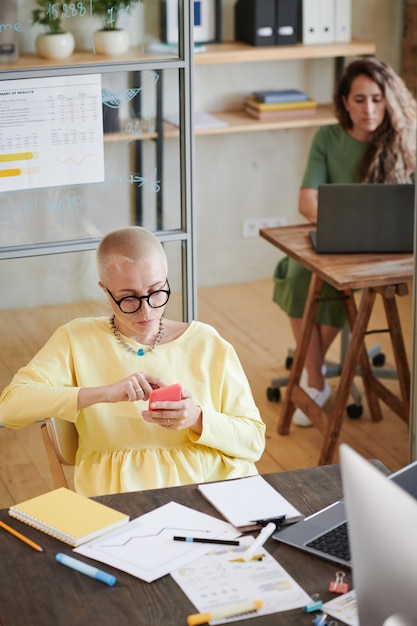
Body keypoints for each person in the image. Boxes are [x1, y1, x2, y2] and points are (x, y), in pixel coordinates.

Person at [0, 227, 266, 496]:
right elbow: (9, 408)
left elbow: (253, 442)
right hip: (124, 495)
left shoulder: (207, 343)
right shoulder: (76, 339)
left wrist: (197, 418)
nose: (147, 310)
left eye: (156, 292)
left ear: (166, 279)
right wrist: (103, 393)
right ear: (105, 291)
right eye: (129, 298)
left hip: (217, 487)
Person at [273, 57, 416, 427]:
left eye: (377, 99)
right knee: (296, 273)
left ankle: (312, 376)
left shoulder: (405, 141)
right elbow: (307, 202)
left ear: (389, 101)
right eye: (359, 99)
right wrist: (348, 223)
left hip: (389, 252)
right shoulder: (328, 138)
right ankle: (316, 376)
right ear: (344, 101)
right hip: (339, 241)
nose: (369, 109)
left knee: (334, 283)